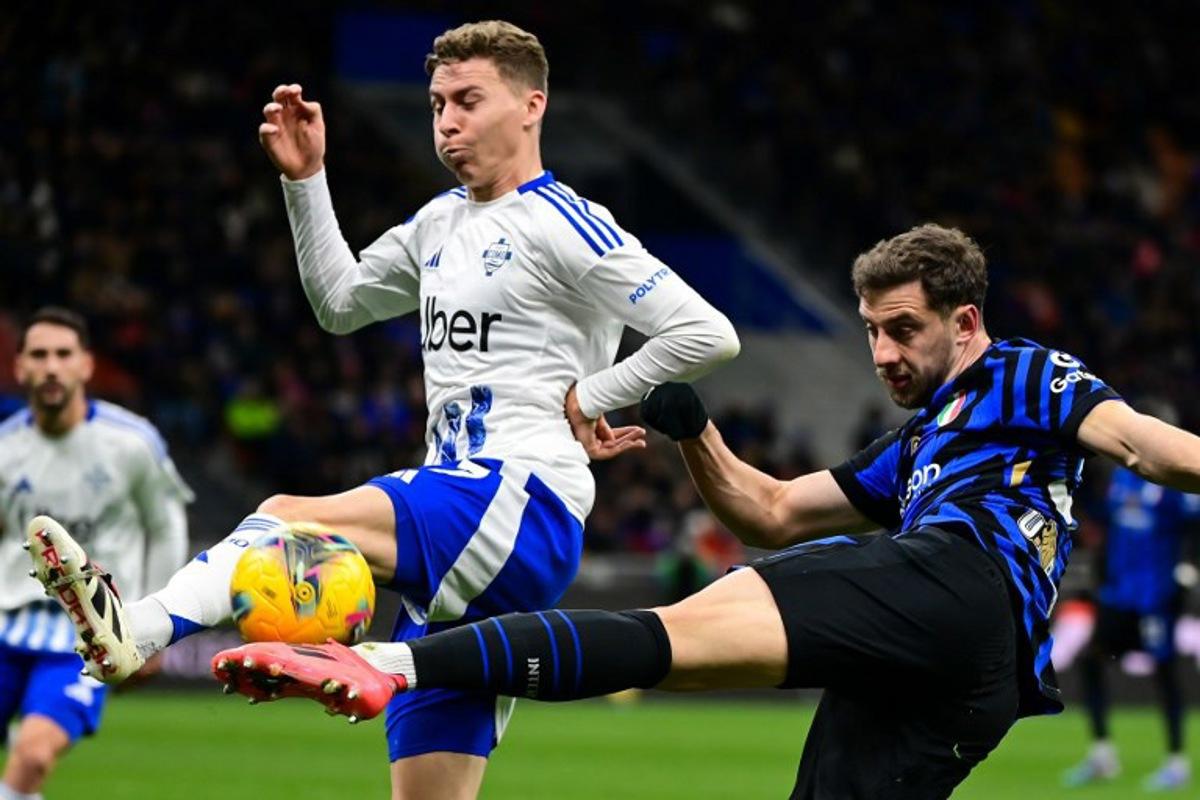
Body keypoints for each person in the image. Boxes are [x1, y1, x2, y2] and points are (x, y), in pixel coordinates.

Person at [216, 223, 1200, 799]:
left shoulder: (1029, 374)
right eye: (871, 333)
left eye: (904, 330)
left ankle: (389, 661)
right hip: (968, 681)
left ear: (967, 323)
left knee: (670, 633)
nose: (884, 353)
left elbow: (1149, 444)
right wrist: (694, 433)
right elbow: (770, 509)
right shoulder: (914, 446)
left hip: (955, 586)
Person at [27, 19, 739, 800]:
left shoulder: (563, 222)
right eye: (437, 104)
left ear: (532, 105)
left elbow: (705, 332)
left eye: (469, 100)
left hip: (515, 497)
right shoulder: (440, 222)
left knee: (287, 516)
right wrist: (306, 181)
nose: (447, 122)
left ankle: (141, 628)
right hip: (461, 525)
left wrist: (589, 396)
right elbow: (340, 303)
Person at [2, 307, 190, 800]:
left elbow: (165, 525)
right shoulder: (4, 447)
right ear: (19, 366)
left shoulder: (132, 442)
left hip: (84, 633)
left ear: (86, 365)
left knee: (34, 755)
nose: (51, 367)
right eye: (38, 355)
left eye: (64, 354)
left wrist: (152, 622)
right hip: (5, 622)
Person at [1062, 454, 1200, 791]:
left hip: (1156, 594)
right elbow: (1104, 523)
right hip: (1118, 595)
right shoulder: (1121, 482)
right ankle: (1102, 755)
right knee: (1089, 660)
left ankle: (1176, 762)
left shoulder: (1172, 488)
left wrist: (1189, 567)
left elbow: (1194, 527)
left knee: (1165, 673)